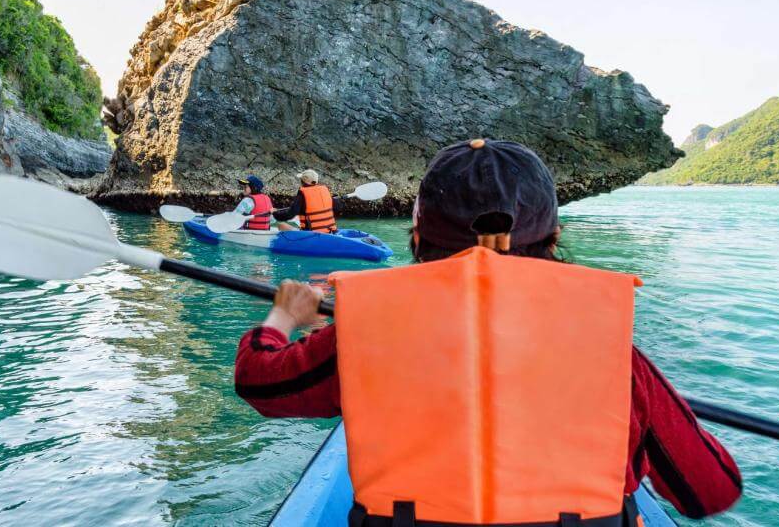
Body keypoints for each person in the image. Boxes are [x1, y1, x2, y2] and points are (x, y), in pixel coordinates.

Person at [235, 139, 741, 525]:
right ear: (553, 237)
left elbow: (260, 380)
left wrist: (284, 317)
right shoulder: (613, 357)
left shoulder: (364, 336)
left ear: (418, 237)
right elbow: (709, 491)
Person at [272, 169, 340, 233]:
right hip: (331, 231)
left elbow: (290, 214)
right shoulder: (325, 191)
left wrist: (275, 213)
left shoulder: (302, 194)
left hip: (311, 234)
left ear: (303, 181)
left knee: (281, 225)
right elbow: (337, 208)